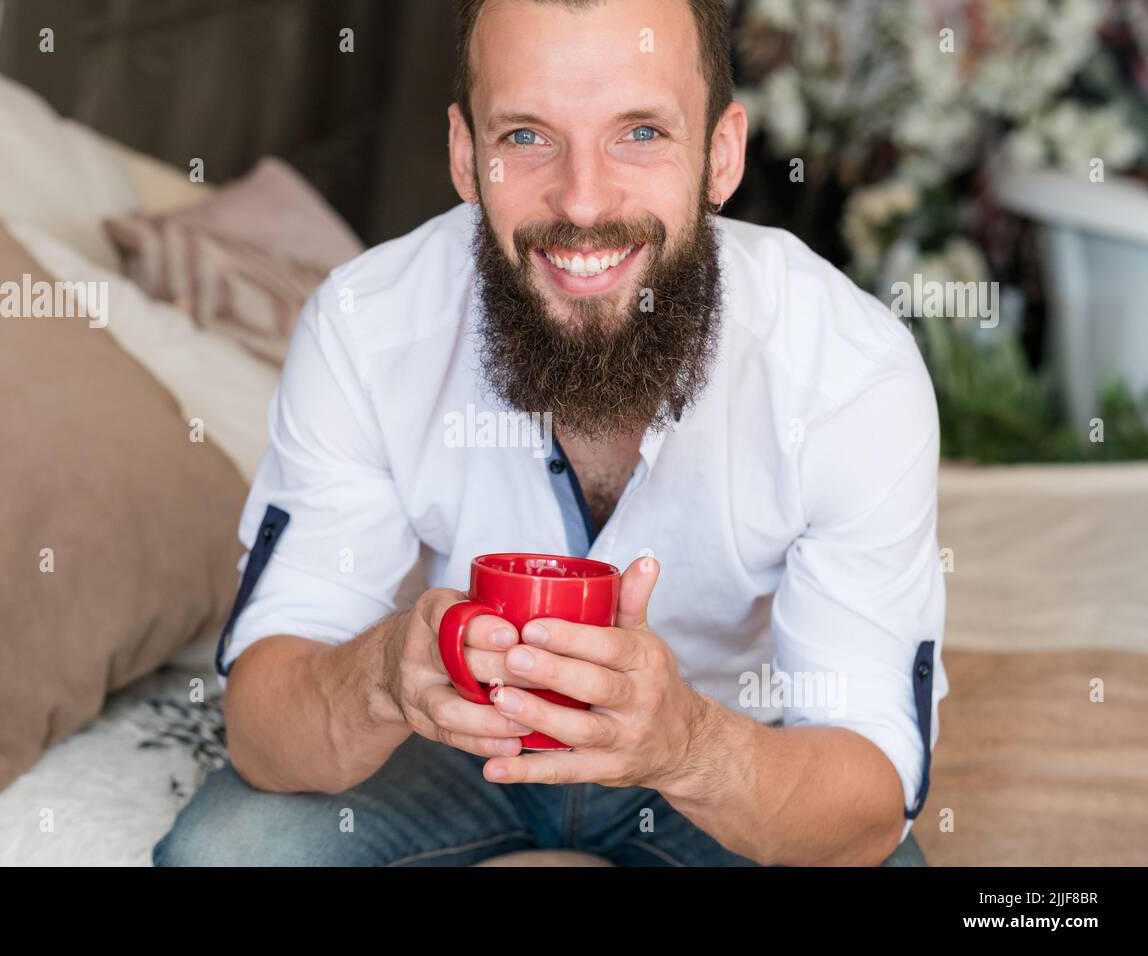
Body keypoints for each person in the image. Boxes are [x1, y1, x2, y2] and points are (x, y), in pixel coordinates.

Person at [154, 0, 947, 867]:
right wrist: (386, 675)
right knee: (226, 854)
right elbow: (264, 729)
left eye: (639, 133)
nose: (581, 200)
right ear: (466, 156)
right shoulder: (363, 327)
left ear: (722, 153)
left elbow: (871, 799)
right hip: (453, 740)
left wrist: (683, 744)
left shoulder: (849, 371)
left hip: (725, 752)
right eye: (527, 136)